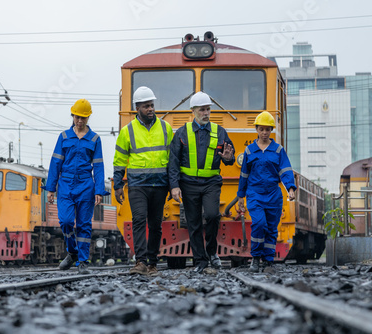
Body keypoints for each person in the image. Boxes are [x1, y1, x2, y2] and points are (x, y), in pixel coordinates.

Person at [169, 91, 235, 274]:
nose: (206, 113)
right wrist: (174, 186)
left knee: (213, 215)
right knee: (194, 222)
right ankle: (200, 260)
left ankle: (212, 251)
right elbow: (173, 161)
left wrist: (229, 158)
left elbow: (230, 156)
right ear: (193, 111)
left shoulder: (220, 132)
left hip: (211, 183)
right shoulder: (182, 133)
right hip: (188, 184)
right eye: (202, 110)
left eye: (208, 109)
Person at [113, 86, 173, 276]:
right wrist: (117, 184)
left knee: (155, 225)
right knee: (139, 220)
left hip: (160, 184)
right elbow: (120, 159)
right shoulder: (127, 131)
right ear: (137, 107)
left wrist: (174, 184)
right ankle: (140, 261)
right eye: (146, 106)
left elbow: (173, 159)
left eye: (152, 105)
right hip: (137, 185)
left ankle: (153, 263)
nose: (150, 109)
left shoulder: (166, 128)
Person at [44, 99, 108, 274]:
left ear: (88, 118)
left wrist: (99, 190)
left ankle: (83, 261)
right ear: (72, 116)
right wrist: (51, 188)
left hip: (86, 185)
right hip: (65, 184)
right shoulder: (64, 137)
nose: (80, 121)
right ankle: (72, 252)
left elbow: (99, 166)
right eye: (77, 117)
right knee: (65, 221)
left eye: (84, 118)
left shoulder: (94, 139)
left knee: (84, 224)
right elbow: (55, 162)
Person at [236, 111, 296, 273]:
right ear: (256, 129)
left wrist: (290, 188)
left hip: (273, 195)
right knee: (259, 224)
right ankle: (255, 258)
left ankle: (268, 260)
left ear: (271, 131)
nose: (264, 132)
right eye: (261, 129)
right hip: (254, 194)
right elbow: (244, 175)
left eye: (267, 129)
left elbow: (285, 170)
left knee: (271, 228)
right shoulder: (249, 151)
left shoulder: (278, 150)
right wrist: (240, 196)